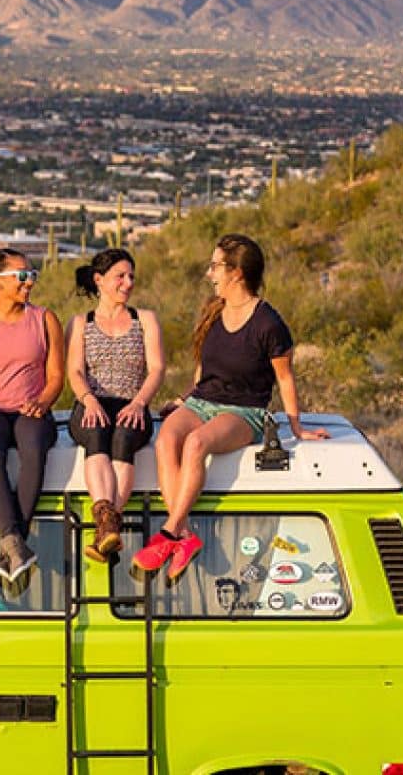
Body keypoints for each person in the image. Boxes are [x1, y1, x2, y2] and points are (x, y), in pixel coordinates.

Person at [132, 233, 329, 581]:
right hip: (202, 400)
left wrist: (296, 426)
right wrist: (184, 399)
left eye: (215, 266)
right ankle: (186, 535)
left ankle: (169, 532)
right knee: (165, 441)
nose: (210, 273)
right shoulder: (214, 310)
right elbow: (203, 368)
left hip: (243, 411)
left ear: (237, 273)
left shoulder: (269, 323)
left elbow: (285, 378)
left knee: (195, 444)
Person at [0, 248, 64, 582]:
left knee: (33, 447)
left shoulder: (45, 319)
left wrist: (43, 402)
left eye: (32, 275)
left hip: (31, 408)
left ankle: (12, 545)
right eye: (21, 276)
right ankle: (16, 542)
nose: (29, 283)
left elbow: (56, 377)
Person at [64, 248, 164, 562]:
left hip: (131, 402)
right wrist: (89, 400)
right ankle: (110, 527)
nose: (128, 283)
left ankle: (106, 528)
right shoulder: (81, 322)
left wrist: (138, 403)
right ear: (99, 280)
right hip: (91, 402)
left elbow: (157, 369)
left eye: (131, 276)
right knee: (96, 433)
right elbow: (74, 371)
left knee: (123, 439)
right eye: (120, 276)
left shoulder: (145, 319)